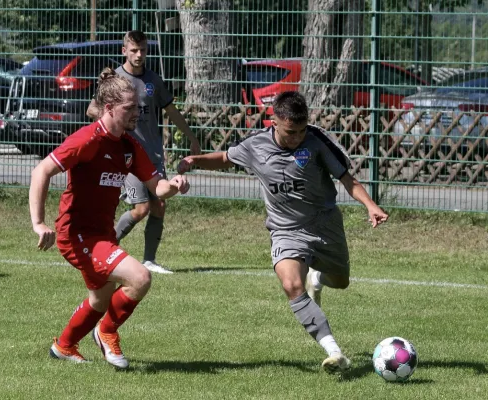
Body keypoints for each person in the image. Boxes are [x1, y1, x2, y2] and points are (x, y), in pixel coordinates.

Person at [177, 91, 389, 374]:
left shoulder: (316, 141)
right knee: (291, 286)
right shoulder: (257, 145)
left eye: (301, 131)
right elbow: (227, 158)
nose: (297, 137)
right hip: (285, 230)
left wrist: (370, 206)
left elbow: (346, 178)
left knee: (341, 281)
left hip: (325, 225)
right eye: (291, 132)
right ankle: (335, 353)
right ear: (274, 121)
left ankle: (319, 278)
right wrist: (196, 160)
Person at [29, 67, 190, 369]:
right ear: (110, 108)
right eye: (130, 109)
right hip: (76, 235)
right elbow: (42, 171)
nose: (137, 114)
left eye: (139, 108)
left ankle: (63, 346)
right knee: (140, 277)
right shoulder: (88, 140)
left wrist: (175, 186)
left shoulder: (128, 146)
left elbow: (158, 187)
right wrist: (39, 223)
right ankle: (106, 331)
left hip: (102, 234)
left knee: (100, 300)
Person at [87, 30, 201, 275]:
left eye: (143, 50)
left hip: (152, 154)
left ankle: (149, 260)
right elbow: (92, 111)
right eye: (134, 50)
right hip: (127, 156)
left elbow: (171, 111)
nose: (139, 55)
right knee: (141, 209)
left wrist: (192, 138)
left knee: (159, 206)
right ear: (124, 51)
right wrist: (116, 127)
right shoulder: (115, 79)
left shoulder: (153, 80)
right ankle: (104, 250)